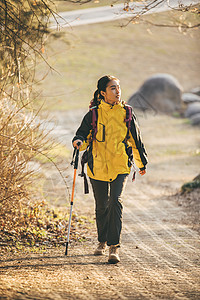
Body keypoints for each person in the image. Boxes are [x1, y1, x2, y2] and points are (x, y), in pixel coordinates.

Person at [72, 75, 148, 264]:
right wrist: (78, 141)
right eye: (112, 88)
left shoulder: (127, 113)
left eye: (118, 87)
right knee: (101, 206)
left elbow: (135, 140)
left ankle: (114, 247)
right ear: (102, 93)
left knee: (115, 201)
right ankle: (102, 241)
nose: (117, 91)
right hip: (97, 166)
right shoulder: (94, 114)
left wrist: (141, 164)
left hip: (120, 165)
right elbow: (83, 134)